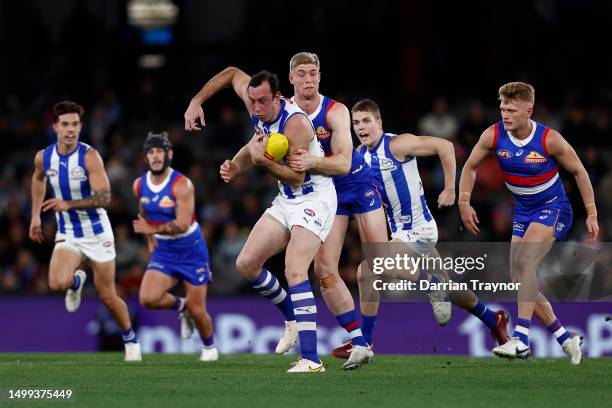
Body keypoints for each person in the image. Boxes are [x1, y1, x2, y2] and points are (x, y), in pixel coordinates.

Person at [187, 70, 336, 373]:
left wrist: (260, 161)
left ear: (278, 98)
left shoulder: (295, 124)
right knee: (247, 263)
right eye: (252, 101)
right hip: (287, 200)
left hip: (314, 197)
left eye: (263, 101)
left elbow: (297, 176)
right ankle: (291, 318)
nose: (256, 107)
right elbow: (230, 75)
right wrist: (196, 101)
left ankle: (311, 360)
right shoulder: (257, 102)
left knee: (294, 269)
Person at [351, 98, 510, 351]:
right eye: (356, 122)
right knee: (450, 292)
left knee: (369, 269)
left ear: (379, 122)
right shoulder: (359, 156)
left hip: (420, 231)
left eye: (367, 121)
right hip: (402, 234)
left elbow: (445, 146)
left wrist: (450, 189)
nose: (361, 127)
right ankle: (494, 320)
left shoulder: (397, 144)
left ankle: (363, 342)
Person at [458, 82, 599, 364]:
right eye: (501, 108)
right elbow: (470, 166)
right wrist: (463, 201)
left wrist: (592, 213)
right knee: (520, 278)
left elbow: (579, 172)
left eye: (511, 110)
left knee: (525, 262)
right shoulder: (493, 134)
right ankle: (565, 337)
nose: (505, 114)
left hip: (554, 208)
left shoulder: (549, 139)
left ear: (528, 111)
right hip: (523, 210)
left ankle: (520, 339)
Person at [29, 100, 141, 362]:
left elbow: (104, 197)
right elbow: (38, 179)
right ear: (55, 126)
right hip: (68, 231)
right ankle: (77, 280)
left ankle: (130, 340)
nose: (71, 130)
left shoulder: (89, 156)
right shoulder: (43, 157)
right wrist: (35, 216)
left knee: (107, 295)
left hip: (97, 232)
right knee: (56, 282)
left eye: (75, 124)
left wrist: (67, 203)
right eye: (65, 124)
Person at [132, 132, 218, 362]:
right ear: (145, 157)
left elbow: (181, 224)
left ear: (169, 154)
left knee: (199, 310)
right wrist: (151, 240)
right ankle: (182, 307)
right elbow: (143, 211)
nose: (156, 156)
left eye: (160, 151)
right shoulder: (139, 185)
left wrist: (152, 230)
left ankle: (210, 348)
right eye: (151, 152)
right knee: (148, 299)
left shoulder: (182, 184)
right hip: (165, 251)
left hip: (191, 250)